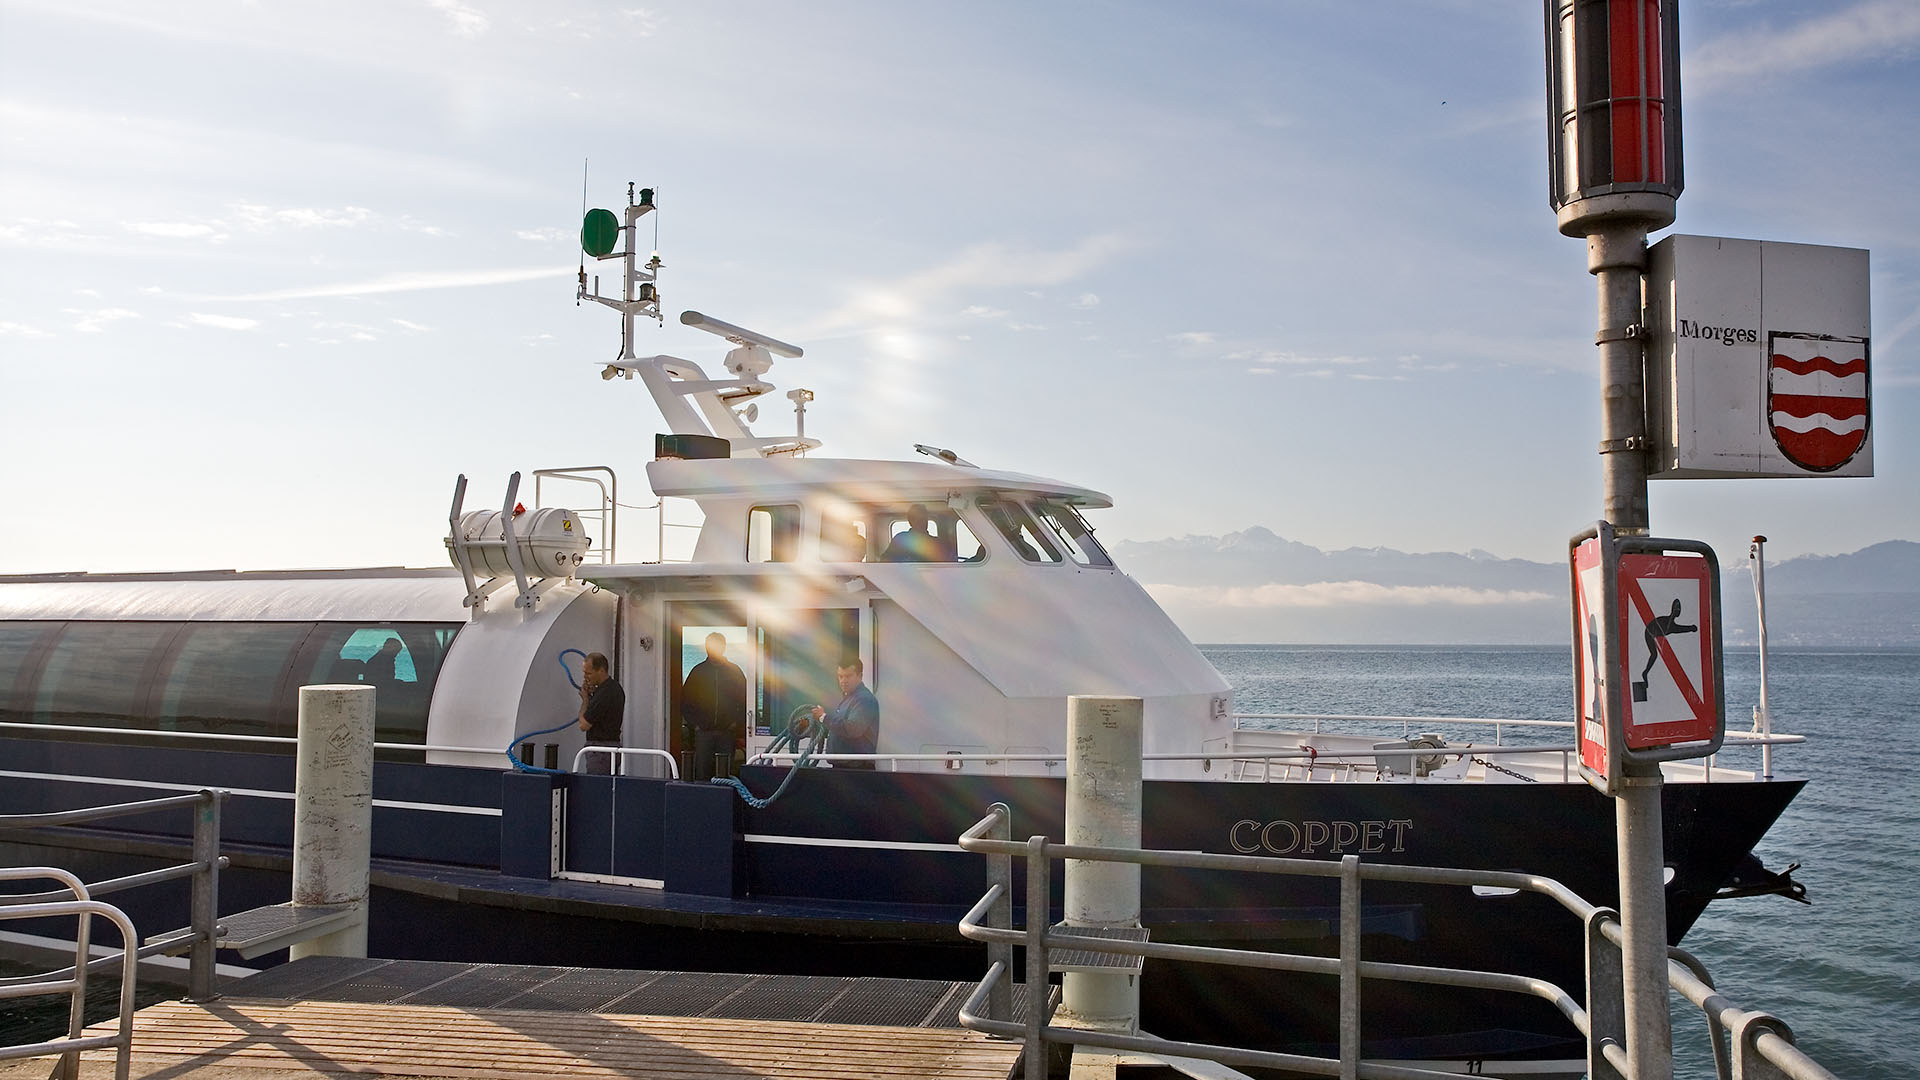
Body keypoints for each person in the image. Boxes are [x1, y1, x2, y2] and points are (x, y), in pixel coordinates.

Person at [681, 632, 747, 781]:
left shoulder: (734, 672)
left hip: (727, 733)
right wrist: (696, 725)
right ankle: (702, 796)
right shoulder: (698, 672)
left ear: (723, 647)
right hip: (703, 733)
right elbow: (686, 701)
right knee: (702, 772)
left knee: (726, 774)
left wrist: (735, 723)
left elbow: (745, 699)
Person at [811, 657, 879, 769]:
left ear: (860, 676)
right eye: (840, 676)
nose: (843, 681)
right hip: (843, 767)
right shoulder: (849, 699)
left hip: (857, 770)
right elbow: (841, 728)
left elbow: (853, 728)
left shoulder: (864, 700)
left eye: (848, 676)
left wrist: (823, 717)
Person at [575, 652, 625, 775]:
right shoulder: (614, 688)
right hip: (610, 748)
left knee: (597, 784)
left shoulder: (604, 693)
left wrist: (585, 700)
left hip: (600, 751)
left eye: (588, 673)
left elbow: (583, 725)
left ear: (601, 671)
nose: (585, 677)